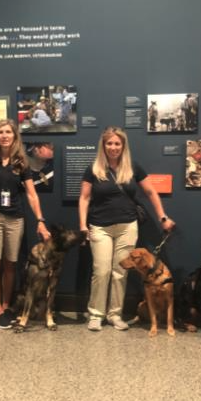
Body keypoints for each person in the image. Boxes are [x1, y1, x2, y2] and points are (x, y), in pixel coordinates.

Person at [78, 126, 175, 331]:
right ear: (103, 146)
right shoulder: (93, 169)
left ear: (123, 146)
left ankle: (115, 314)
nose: (113, 147)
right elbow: (84, 198)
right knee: (101, 271)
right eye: (109, 143)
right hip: (99, 226)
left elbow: (150, 193)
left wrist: (163, 217)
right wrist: (82, 225)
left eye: (117, 144)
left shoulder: (133, 167)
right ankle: (96, 314)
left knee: (120, 271)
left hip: (127, 226)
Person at [0, 119, 51, 329]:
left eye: (8, 132)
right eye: (0, 132)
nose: (4, 136)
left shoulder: (21, 163)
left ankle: (6, 305)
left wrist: (40, 220)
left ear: (15, 136)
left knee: (10, 264)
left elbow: (32, 195)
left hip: (15, 217)